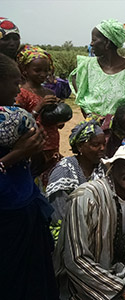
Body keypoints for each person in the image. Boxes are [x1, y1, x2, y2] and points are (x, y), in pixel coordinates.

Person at [54, 142, 125, 300]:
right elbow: (76, 259)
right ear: (114, 165)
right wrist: (123, 290)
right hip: (80, 289)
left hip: (113, 276)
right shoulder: (86, 197)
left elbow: (115, 245)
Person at [0, 52, 59, 299]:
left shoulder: (16, 120)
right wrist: (16, 154)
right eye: (14, 82)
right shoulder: (14, 119)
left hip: (25, 208)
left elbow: (31, 167)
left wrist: (35, 154)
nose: (18, 88)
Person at [70, 19, 125, 123]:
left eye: (94, 40)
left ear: (107, 43)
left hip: (119, 130)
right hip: (94, 130)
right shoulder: (87, 65)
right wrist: (91, 117)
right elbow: (80, 95)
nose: (91, 44)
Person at [15, 45, 68, 183]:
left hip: (52, 145)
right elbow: (18, 124)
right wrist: (39, 107)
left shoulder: (49, 92)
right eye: (37, 70)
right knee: (34, 179)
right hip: (33, 148)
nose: (43, 74)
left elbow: (55, 123)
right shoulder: (21, 94)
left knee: (51, 180)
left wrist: (59, 115)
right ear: (25, 71)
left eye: (46, 70)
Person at [46, 119, 106, 224]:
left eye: (104, 144)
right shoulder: (64, 173)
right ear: (80, 147)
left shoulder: (104, 167)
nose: (102, 148)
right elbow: (59, 216)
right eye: (96, 144)